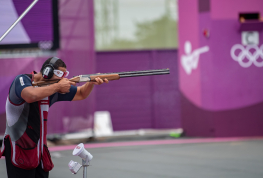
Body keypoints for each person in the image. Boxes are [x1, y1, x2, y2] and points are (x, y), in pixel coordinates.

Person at [0, 57, 108, 178]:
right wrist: (57, 87)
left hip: (39, 154)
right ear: (47, 72)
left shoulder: (52, 88)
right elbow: (30, 95)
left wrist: (91, 82)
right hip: (19, 149)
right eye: (58, 75)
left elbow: (81, 93)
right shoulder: (22, 80)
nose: (60, 80)